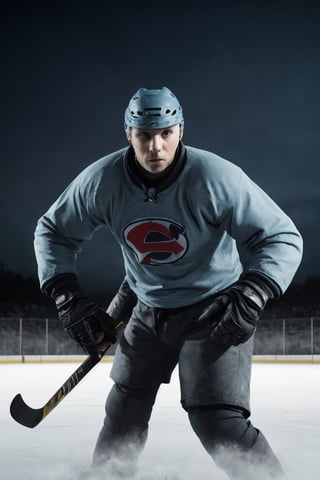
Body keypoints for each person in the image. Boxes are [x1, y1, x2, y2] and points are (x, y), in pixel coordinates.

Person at [34, 86, 303, 479]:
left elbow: (281, 236)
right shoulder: (102, 181)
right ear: (128, 133)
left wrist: (256, 291)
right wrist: (65, 293)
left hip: (215, 308)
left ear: (180, 130)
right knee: (123, 410)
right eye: (144, 134)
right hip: (146, 305)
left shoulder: (216, 177)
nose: (155, 146)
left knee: (217, 420)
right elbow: (53, 230)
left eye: (165, 132)